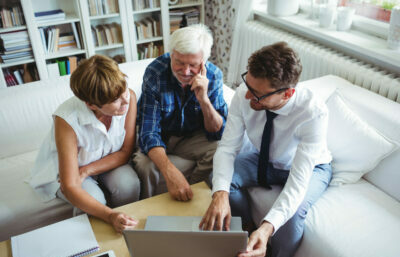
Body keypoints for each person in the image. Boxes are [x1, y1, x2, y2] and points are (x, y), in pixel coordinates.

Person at [200, 42, 332, 257]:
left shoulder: (313, 113)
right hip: (265, 160)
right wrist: (221, 195)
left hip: (310, 168)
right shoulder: (246, 93)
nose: (247, 96)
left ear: (287, 94)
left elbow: (298, 181)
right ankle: (244, 235)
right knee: (219, 181)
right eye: (248, 85)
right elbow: (227, 148)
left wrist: (268, 226)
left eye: (258, 94)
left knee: (291, 217)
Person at [29, 55, 140, 233]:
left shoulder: (129, 98)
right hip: (65, 173)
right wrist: (110, 215)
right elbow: (70, 185)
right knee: (95, 201)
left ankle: (130, 233)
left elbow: (125, 151)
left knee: (129, 185)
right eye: (115, 100)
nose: (125, 101)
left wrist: (88, 170)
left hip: (104, 161)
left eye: (124, 90)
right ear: (91, 105)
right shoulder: (66, 119)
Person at [133, 24, 228, 201]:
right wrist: (171, 172)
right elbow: (149, 132)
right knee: (145, 166)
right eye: (179, 62)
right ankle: (148, 207)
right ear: (171, 54)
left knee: (220, 149)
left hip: (191, 138)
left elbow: (218, 132)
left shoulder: (214, 76)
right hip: (161, 136)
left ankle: (192, 198)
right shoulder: (155, 73)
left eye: (193, 65)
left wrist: (204, 100)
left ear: (204, 61)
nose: (185, 72)